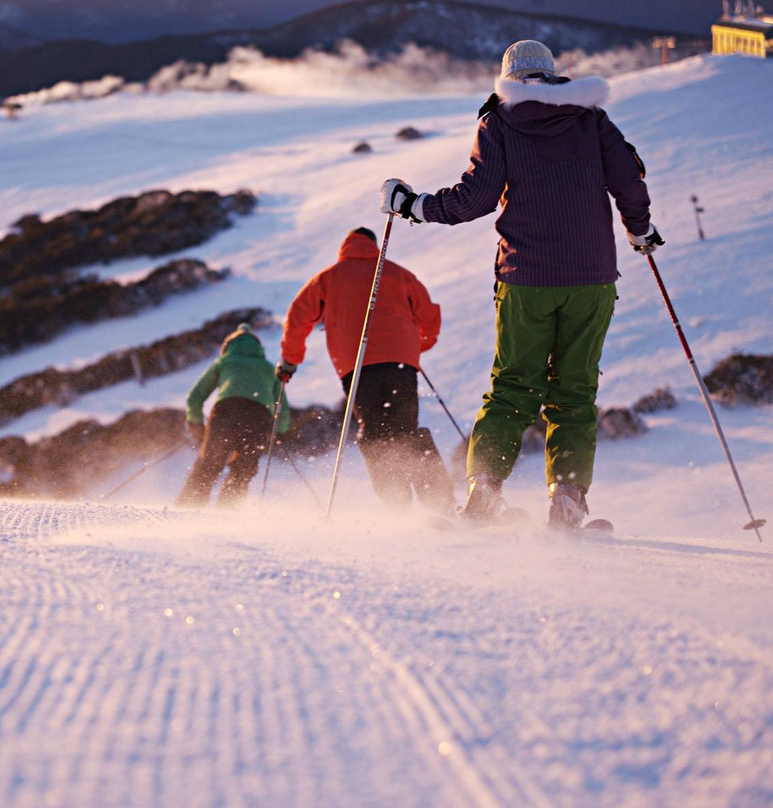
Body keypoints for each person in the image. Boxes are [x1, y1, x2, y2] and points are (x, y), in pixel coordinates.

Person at [379, 39, 662, 528]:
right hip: (592, 278)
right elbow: (629, 180)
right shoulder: (591, 118)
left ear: (507, 77)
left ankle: (484, 493)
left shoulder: (500, 122)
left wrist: (413, 206)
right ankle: (567, 501)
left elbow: (474, 200)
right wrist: (640, 230)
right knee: (573, 391)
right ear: (552, 75)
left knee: (512, 388)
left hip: (526, 278)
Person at [276, 226, 454, 512]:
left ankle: (397, 505)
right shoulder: (397, 273)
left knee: (374, 431)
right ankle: (440, 502)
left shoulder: (327, 278)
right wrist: (420, 345)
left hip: (357, 368)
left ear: (345, 247)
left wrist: (290, 360)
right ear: (373, 246)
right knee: (405, 428)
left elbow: (297, 317)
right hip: (400, 365)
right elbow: (429, 313)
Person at [176, 323, 291, 507]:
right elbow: (282, 408)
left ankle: (187, 509)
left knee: (209, 465)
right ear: (258, 348)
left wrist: (196, 424)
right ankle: (226, 514)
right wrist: (280, 432)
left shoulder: (224, 362)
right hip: (260, 418)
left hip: (226, 412)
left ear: (227, 347)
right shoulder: (270, 369)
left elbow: (195, 397)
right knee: (242, 471)